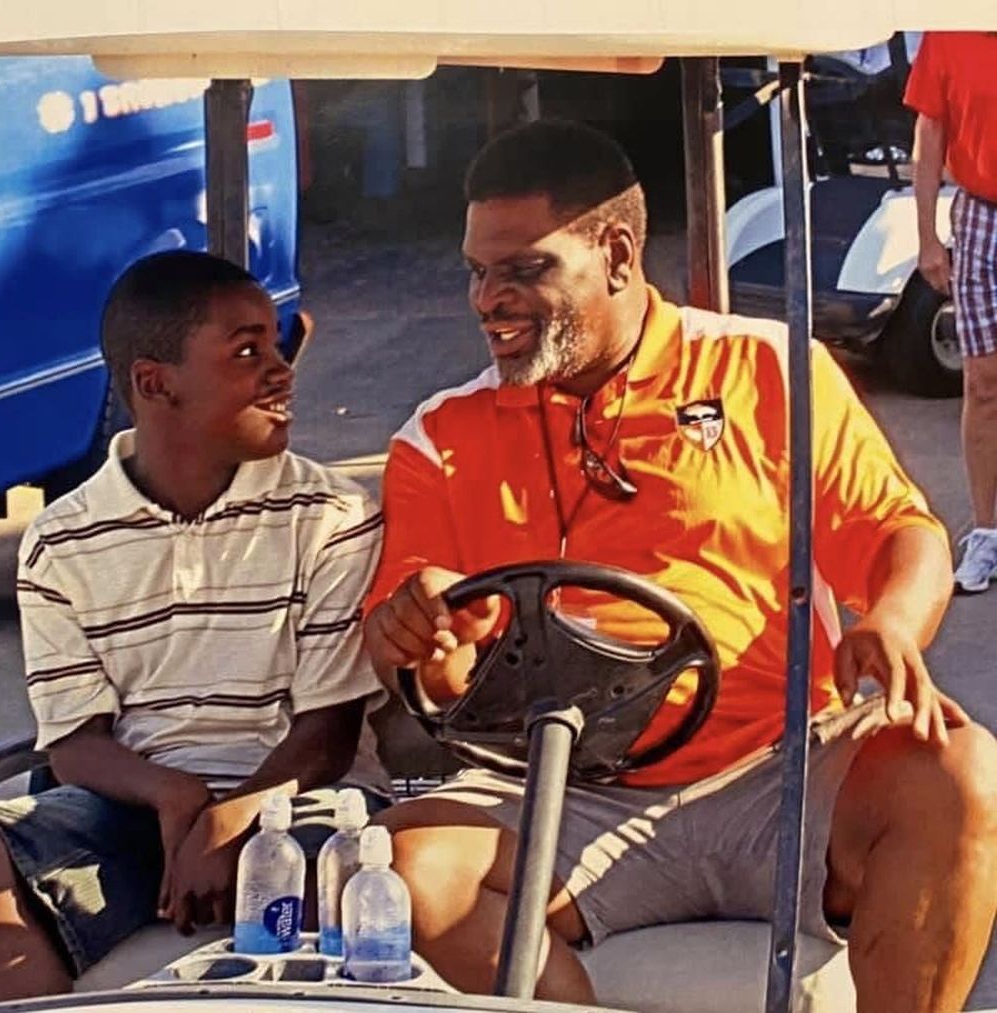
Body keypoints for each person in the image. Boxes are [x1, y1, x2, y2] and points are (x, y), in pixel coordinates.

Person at [362, 120, 997, 1012]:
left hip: (775, 769)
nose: (488, 300)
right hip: (558, 790)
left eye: (524, 270)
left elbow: (904, 532)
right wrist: (420, 637)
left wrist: (891, 623)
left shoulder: (769, 370)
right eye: (477, 271)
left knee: (966, 773)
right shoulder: (437, 437)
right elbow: (430, 653)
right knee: (394, 873)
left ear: (617, 253)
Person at [0, 251, 389, 1004]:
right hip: (137, 810)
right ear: (156, 383)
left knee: (334, 880)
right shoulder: (60, 540)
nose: (280, 370)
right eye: (247, 351)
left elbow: (330, 733)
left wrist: (231, 819)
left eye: (277, 345)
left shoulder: (330, 516)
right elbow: (75, 742)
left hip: (305, 797)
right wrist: (178, 798)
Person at [905, 32, 997, 593]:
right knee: (983, 383)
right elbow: (930, 133)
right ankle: (988, 534)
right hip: (981, 216)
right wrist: (927, 238)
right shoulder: (950, 31)